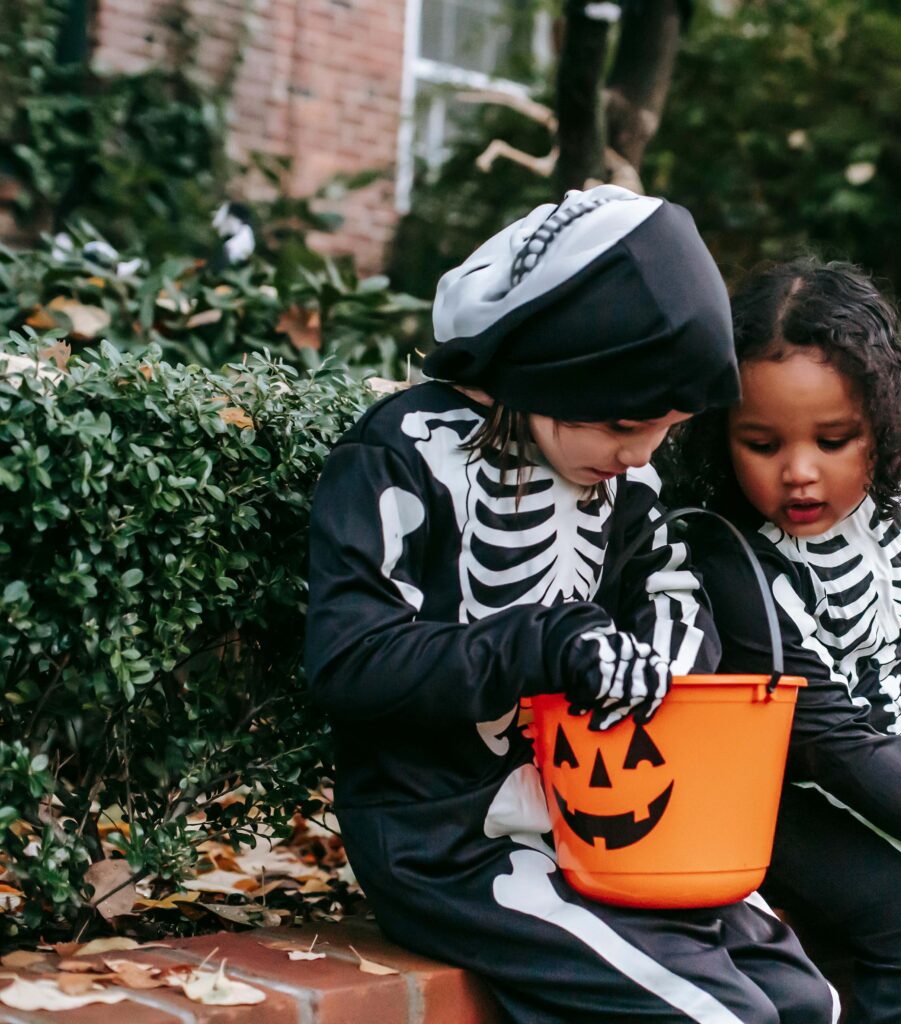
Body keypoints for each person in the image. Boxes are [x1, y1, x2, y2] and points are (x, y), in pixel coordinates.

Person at [304, 186, 834, 1024]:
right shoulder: (401, 453)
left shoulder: (626, 485)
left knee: (804, 1002)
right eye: (623, 423)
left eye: (664, 429)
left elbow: (672, 599)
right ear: (552, 369)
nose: (637, 454)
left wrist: (660, 657)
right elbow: (348, 660)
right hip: (446, 841)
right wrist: (544, 641)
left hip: (604, 819)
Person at [676, 257, 901, 1024]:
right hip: (798, 799)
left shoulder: (890, 512)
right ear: (722, 433)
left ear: (884, 421)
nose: (800, 474)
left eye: (835, 438)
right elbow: (827, 740)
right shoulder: (728, 554)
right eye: (762, 443)